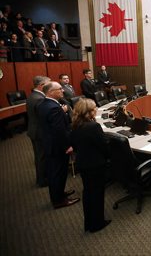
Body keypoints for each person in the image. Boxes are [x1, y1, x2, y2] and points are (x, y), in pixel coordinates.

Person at [70, 98, 111, 233]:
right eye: (94, 108)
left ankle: (89, 222)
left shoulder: (76, 124)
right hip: (95, 164)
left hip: (82, 163)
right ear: (89, 112)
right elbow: (104, 146)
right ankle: (97, 223)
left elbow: (75, 145)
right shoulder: (93, 126)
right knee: (97, 194)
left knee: (87, 193)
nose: (96, 109)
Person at [37, 81, 80, 209]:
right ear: (51, 92)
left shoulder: (44, 104)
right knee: (57, 173)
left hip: (50, 144)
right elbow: (60, 131)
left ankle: (59, 193)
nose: (63, 90)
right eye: (60, 89)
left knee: (55, 172)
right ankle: (59, 200)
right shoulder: (54, 108)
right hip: (57, 147)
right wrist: (67, 146)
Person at [27, 76, 51, 187]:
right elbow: (45, 116)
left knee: (39, 156)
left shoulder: (33, 95)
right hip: (39, 132)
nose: (50, 86)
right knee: (42, 157)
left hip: (34, 130)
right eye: (48, 84)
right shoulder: (39, 98)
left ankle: (41, 179)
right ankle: (43, 180)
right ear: (41, 86)